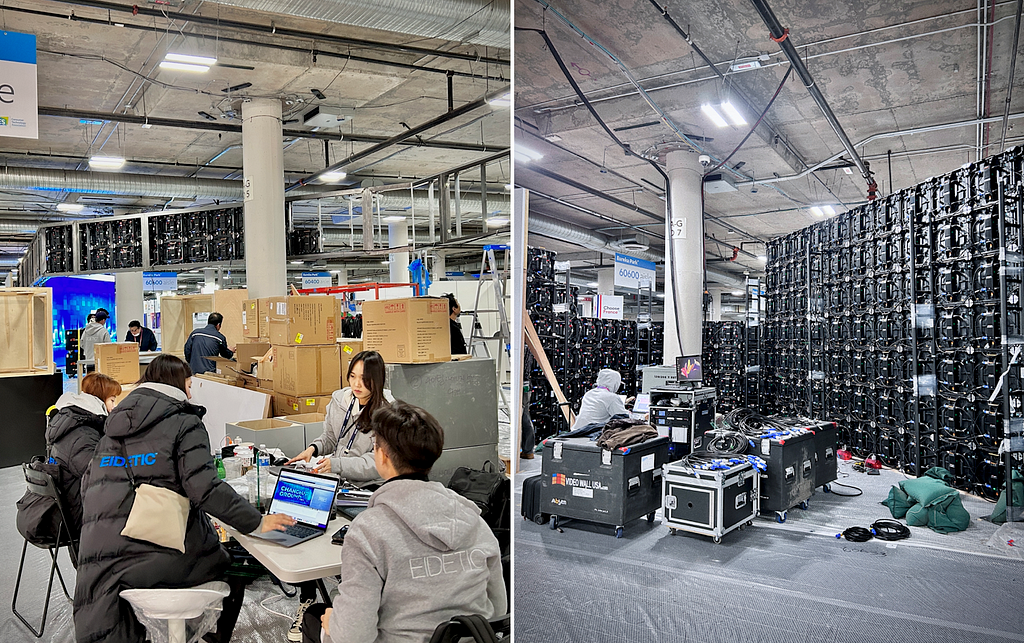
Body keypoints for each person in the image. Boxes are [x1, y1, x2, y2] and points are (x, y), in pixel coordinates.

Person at [73, 354, 294, 643]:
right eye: (189, 385)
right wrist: (257, 522)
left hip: (101, 563)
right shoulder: (185, 422)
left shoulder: (111, 429)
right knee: (240, 564)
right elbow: (206, 489)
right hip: (158, 557)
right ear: (178, 385)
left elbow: (89, 485)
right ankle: (216, 638)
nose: (191, 393)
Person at [300, 401, 507, 643]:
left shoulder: (367, 532)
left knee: (317, 616)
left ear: (382, 456)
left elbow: (353, 636)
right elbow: (499, 609)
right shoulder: (473, 519)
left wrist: (334, 623)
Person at [284, 350, 395, 641]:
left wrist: (338, 464)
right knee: (304, 529)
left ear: (378, 381)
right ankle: (307, 600)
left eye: (365, 380)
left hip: (364, 490)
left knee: (346, 547)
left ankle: (345, 606)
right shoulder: (340, 400)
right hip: (334, 479)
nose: (357, 385)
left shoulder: (387, 412)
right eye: (353, 377)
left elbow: (376, 466)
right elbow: (330, 439)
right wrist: (313, 450)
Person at [45, 372, 122, 545]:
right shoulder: (82, 435)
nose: (114, 407)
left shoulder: (73, 422)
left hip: (74, 505)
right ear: (99, 401)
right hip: (81, 517)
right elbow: (99, 474)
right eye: (112, 400)